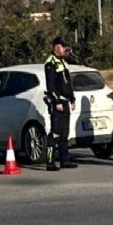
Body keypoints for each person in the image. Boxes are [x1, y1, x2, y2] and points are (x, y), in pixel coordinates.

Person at [44, 36, 76, 171]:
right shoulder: (50, 63)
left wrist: (72, 99)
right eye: (63, 47)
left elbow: (67, 83)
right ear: (56, 47)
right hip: (57, 103)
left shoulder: (63, 62)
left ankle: (65, 160)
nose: (65, 49)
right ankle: (50, 162)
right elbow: (51, 85)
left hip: (65, 101)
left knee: (65, 133)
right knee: (55, 132)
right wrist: (56, 101)